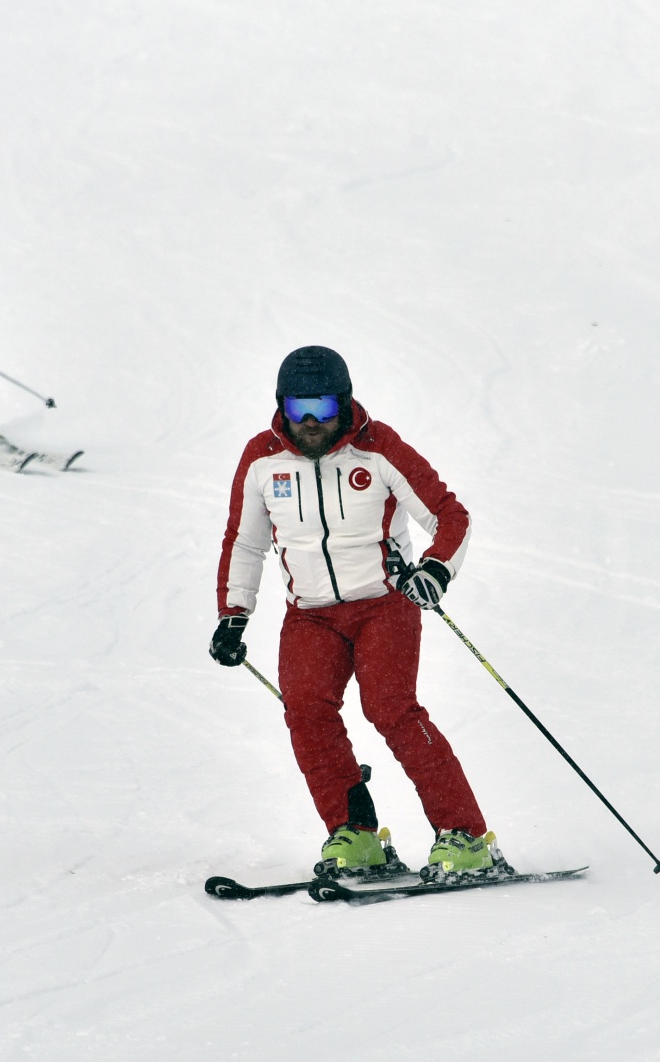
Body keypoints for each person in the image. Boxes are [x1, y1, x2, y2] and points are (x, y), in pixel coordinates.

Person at [210, 345, 510, 882]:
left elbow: (449, 515)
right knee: (306, 711)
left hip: (383, 604)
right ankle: (357, 835)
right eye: (299, 407)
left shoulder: (378, 448)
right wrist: (233, 613)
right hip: (310, 615)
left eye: (323, 407)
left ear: (344, 404)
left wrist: (435, 570)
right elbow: (244, 542)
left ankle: (464, 838)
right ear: (281, 405)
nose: (309, 422)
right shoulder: (262, 459)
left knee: (390, 707)